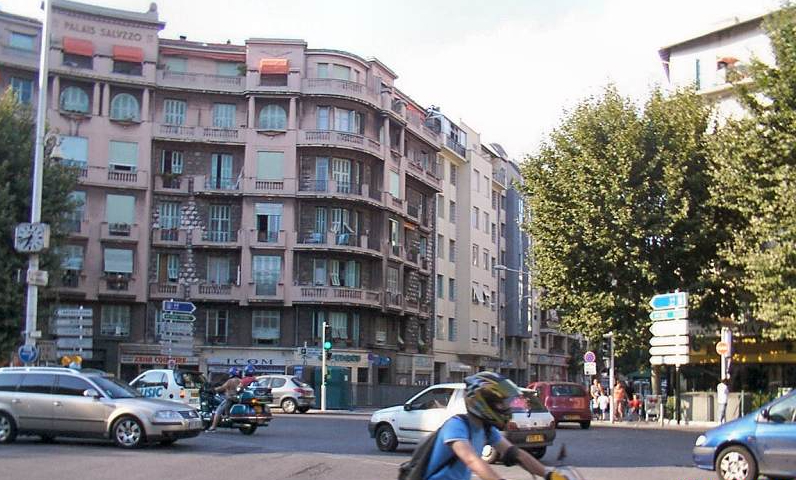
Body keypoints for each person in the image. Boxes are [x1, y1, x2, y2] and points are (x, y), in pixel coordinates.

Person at [422, 371, 577, 480]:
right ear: (483, 403)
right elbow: (471, 460)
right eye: (500, 403)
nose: (506, 408)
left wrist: (548, 474)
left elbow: (516, 454)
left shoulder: (486, 430)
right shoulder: (456, 426)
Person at [207, 367, 242, 432]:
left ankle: (213, 427)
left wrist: (213, 390)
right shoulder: (240, 381)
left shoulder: (230, 381)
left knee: (218, 411)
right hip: (238, 399)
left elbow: (222, 388)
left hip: (230, 398)